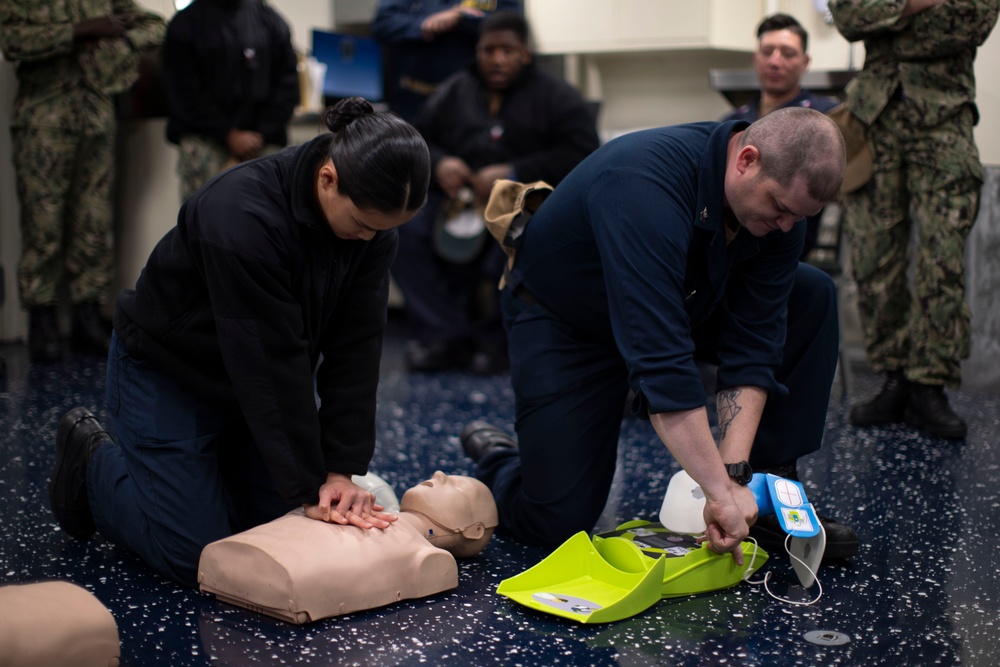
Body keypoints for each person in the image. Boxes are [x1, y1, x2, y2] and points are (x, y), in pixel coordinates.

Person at [47, 97, 431, 588]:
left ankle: (202, 480)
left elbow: (357, 347)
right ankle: (92, 464)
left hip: (244, 384)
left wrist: (340, 470)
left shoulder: (373, 232)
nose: (368, 240)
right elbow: (270, 362)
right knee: (200, 557)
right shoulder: (241, 215)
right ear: (328, 178)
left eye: (384, 232)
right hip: (166, 374)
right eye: (362, 224)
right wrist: (308, 484)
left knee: (269, 532)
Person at [459, 107, 859, 562]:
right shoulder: (641, 184)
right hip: (568, 322)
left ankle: (770, 494)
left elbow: (756, 340)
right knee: (555, 521)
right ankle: (499, 456)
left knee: (810, 294)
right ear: (746, 159)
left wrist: (734, 478)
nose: (787, 227)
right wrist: (718, 497)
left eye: (800, 218)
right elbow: (662, 365)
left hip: (685, 296)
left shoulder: (780, 208)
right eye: (782, 210)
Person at [391, 11, 600, 373]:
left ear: (525, 55)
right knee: (400, 231)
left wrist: (514, 171)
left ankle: (495, 340)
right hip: (459, 198)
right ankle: (444, 334)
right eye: (489, 50)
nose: (497, 58)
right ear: (478, 52)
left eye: (507, 50)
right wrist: (440, 162)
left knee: (519, 239)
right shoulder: (455, 90)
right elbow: (418, 136)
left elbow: (582, 151)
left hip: (523, 198)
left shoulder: (557, 96)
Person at [830, 0, 998, 440]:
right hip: (874, 118)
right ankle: (894, 376)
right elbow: (846, 15)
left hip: (944, 119)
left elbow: (971, 22)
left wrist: (889, 17)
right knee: (873, 261)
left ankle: (929, 384)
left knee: (942, 259)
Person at [0, 1, 166, 362]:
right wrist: (79, 32)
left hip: (96, 119)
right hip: (43, 118)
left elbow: (156, 26)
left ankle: (86, 315)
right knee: (41, 226)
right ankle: (41, 319)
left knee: (93, 223)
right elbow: (12, 40)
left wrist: (120, 43)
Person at [198, 471, 498, 623]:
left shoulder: (431, 558)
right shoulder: (373, 507)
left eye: (456, 486)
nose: (438, 475)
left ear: (474, 530)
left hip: (282, 577)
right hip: (251, 552)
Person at [722, 13, 838, 261]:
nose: (775, 61)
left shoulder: (826, 121)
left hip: (789, 253)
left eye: (787, 53)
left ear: (805, 62)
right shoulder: (730, 124)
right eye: (767, 51)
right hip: (732, 252)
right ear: (756, 58)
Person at [162, 0, 300, 202]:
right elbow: (183, 93)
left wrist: (259, 135)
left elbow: (287, 87)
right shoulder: (185, 24)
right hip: (207, 138)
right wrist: (229, 134)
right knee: (204, 217)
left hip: (262, 140)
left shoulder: (271, 22)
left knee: (268, 217)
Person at [371, 0, 523, 122]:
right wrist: (423, 25)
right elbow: (383, 23)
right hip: (415, 99)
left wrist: (462, 18)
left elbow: (513, 24)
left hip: (475, 101)